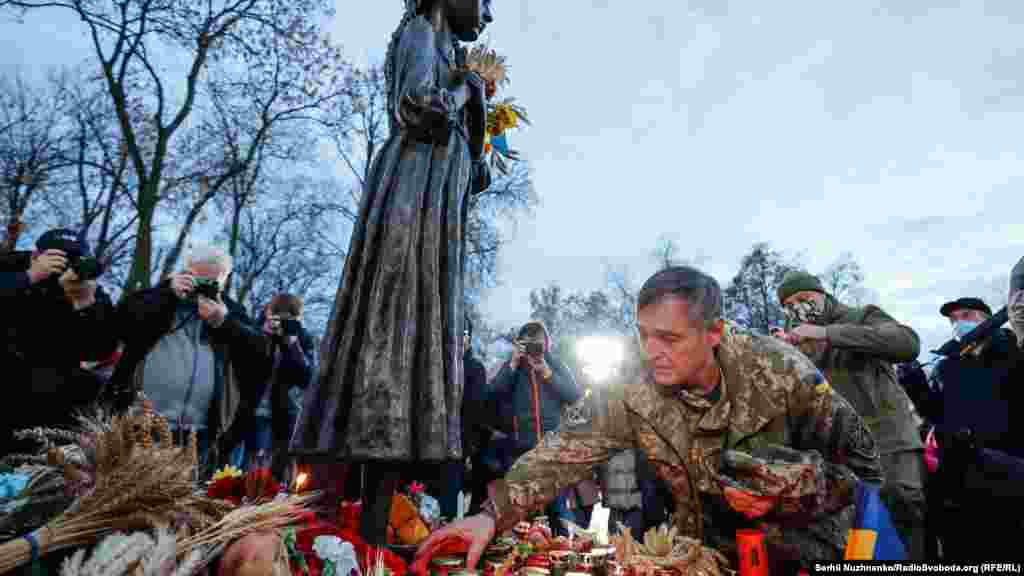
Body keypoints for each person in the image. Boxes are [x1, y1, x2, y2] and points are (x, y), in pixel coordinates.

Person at [416, 266, 882, 574]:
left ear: (714, 332)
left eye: (669, 338)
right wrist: (489, 516)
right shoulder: (634, 386)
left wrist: (797, 488)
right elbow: (561, 451)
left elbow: (866, 470)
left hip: (807, 556)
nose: (651, 352)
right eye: (643, 335)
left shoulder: (780, 371)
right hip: (706, 559)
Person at [289, 0, 494, 541]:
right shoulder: (421, 34)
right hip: (409, 192)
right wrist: (464, 90)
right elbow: (422, 108)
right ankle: (356, 506)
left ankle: (389, 499)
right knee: (394, 308)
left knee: (423, 315)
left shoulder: (452, 53)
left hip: (440, 206)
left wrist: (478, 107)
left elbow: (479, 173)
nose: (488, 14)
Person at [775, 270, 926, 559]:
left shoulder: (859, 317)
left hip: (888, 446)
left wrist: (826, 334)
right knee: (855, 540)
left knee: (903, 527)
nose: (798, 307)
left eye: (805, 298)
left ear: (823, 294)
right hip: (838, 458)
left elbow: (907, 343)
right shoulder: (795, 341)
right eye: (789, 304)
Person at [103, 245, 273, 472]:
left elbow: (261, 354)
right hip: (139, 425)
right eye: (198, 278)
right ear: (185, 271)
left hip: (199, 434)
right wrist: (167, 294)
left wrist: (224, 323)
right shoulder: (157, 297)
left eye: (211, 282)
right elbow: (122, 324)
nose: (202, 287)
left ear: (224, 279)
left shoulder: (230, 311)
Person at [0, 228, 118, 456]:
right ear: (36, 256)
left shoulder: (88, 290)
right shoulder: (10, 269)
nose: (67, 266)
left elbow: (102, 349)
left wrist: (85, 305)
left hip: (51, 414)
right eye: (60, 258)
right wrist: (30, 277)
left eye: (74, 260)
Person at [927, 296, 1024, 560]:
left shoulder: (1014, 351)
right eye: (953, 319)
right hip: (962, 476)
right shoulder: (949, 364)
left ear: (986, 317)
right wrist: (916, 386)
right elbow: (938, 414)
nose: (959, 323)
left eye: (967, 315)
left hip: (1010, 468)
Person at [488, 320, 582, 536]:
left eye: (538, 344)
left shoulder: (555, 364)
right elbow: (492, 395)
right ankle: (513, 561)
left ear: (546, 344)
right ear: (519, 344)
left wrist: (546, 372)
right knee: (515, 512)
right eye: (528, 344)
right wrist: (512, 363)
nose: (533, 349)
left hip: (552, 451)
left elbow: (575, 396)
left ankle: (564, 554)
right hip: (519, 451)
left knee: (558, 510)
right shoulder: (512, 366)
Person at [227, 294, 316, 478]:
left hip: (278, 415)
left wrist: (292, 344)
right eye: (279, 317)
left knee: (264, 471)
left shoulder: (301, 339)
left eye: (291, 319)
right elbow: (240, 365)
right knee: (233, 469)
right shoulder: (253, 331)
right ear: (268, 313)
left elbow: (307, 379)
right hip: (242, 410)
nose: (284, 323)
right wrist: (265, 336)